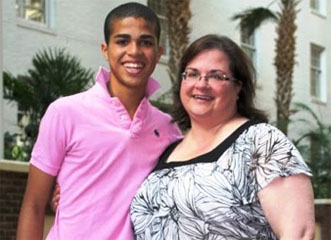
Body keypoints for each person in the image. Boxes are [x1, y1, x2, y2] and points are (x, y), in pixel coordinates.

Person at [16, 2, 181, 240]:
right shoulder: (65, 112)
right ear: (106, 49)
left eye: (145, 42)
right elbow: (33, 205)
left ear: (158, 52)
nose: (134, 50)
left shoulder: (169, 130)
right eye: (122, 41)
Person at [130, 34, 315, 239]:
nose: (201, 84)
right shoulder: (168, 149)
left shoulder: (262, 142)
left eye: (216, 76)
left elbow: (299, 234)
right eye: (192, 74)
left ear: (238, 87)